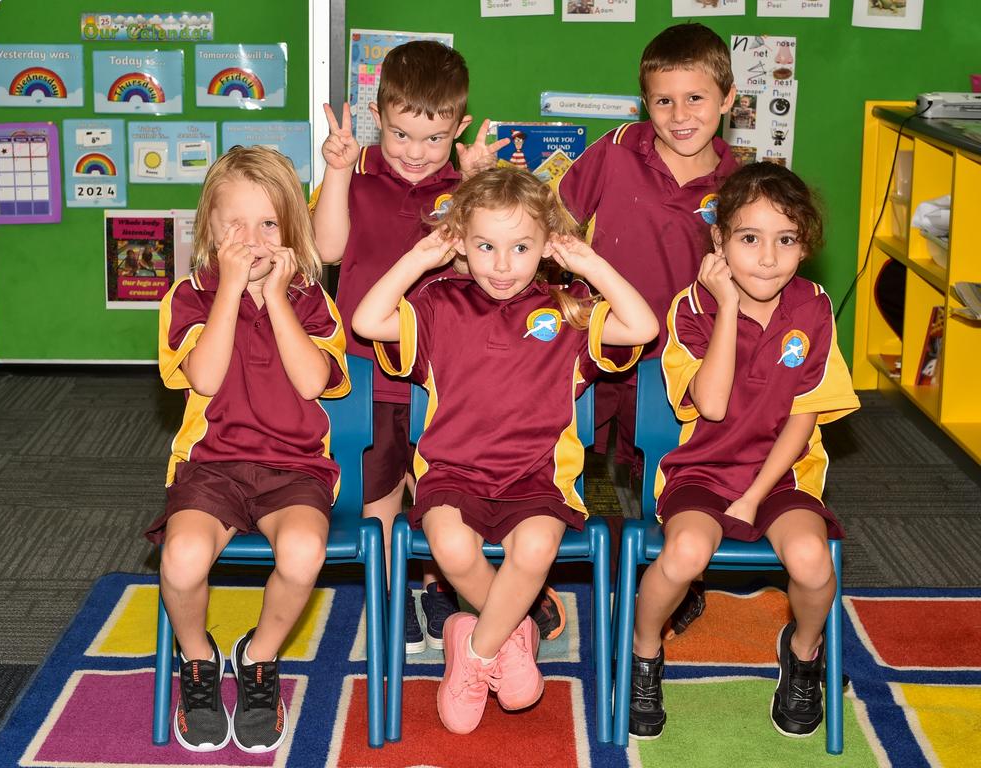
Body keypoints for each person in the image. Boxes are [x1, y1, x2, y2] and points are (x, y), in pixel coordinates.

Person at [353, 166, 659, 734]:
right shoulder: (438, 304)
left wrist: (590, 265)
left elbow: (641, 327)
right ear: (461, 242)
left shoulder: (568, 309)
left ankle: (473, 649)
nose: (501, 264)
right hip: (453, 474)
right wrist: (419, 260)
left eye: (520, 247)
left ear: (547, 246)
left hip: (537, 478)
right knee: (449, 546)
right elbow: (366, 319)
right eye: (486, 246)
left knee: (537, 547)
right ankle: (515, 634)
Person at [312, 41, 567, 651]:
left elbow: (502, 253)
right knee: (378, 493)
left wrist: (476, 180)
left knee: (441, 492)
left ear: (457, 127)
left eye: (432, 139)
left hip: (451, 372)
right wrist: (340, 170)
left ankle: (439, 586)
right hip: (366, 367)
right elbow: (326, 251)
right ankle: (392, 592)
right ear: (379, 117)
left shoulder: (464, 185)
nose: (416, 153)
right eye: (401, 135)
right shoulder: (360, 172)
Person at [627, 162, 861, 741]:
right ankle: (644, 653)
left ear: (803, 246)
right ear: (719, 241)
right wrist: (728, 306)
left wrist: (756, 496)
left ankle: (803, 655)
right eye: (749, 239)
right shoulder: (691, 308)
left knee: (812, 561)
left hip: (781, 476)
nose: (767, 257)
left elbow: (805, 415)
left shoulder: (813, 307)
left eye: (785, 240)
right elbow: (709, 403)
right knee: (683, 555)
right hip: (701, 471)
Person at [145, 146, 349, 754]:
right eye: (236, 223)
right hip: (212, 466)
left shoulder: (311, 296)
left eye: (269, 224)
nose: (253, 239)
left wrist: (278, 297)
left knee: (304, 551)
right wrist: (231, 291)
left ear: (292, 231)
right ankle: (199, 659)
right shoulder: (188, 295)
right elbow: (204, 377)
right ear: (209, 227)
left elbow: (314, 382)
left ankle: (259, 659)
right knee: (181, 560)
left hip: (296, 467)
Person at [556, 21, 739, 637]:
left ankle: (672, 573)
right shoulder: (613, 151)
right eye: (664, 100)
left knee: (669, 466)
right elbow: (555, 225)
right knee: (590, 462)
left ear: (729, 100)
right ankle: (606, 566)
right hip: (602, 341)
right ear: (645, 104)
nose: (680, 115)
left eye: (696, 99)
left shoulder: (740, 185)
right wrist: (556, 298)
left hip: (684, 359)